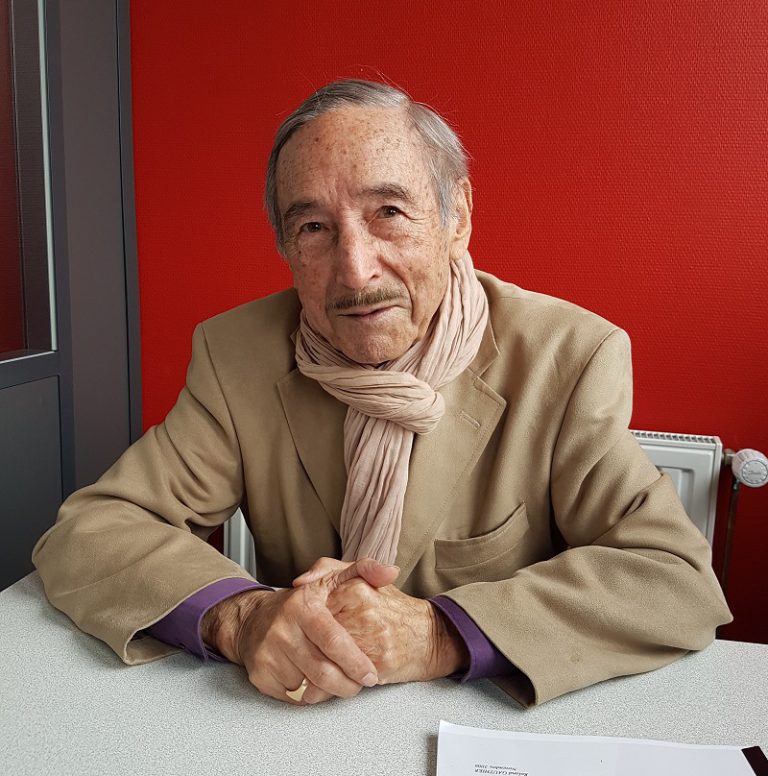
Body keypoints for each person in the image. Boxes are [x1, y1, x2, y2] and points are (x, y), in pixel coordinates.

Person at [32, 79, 731, 708]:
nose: (355, 271)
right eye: (313, 228)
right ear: (285, 247)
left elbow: (671, 578)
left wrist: (436, 633)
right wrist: (241, 617)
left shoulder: (567, 356)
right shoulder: (236, 354)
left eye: (389, 212)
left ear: (458, 218)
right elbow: (94, 529)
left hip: (485, 719)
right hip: (304, 714)